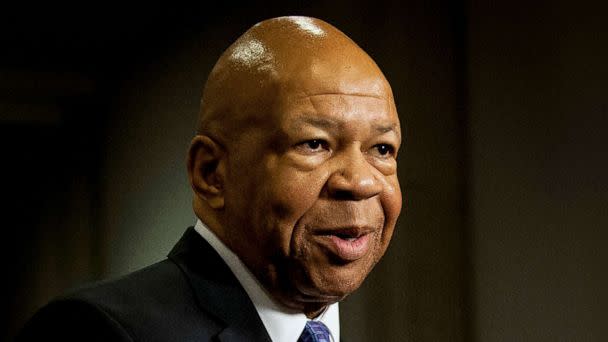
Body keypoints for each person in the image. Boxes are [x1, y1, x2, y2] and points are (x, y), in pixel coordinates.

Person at [17, 16, 402, 342]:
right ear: (211, 173)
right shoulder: (96, 331)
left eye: (382, 149)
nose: (361, 182)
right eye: (315, 144)